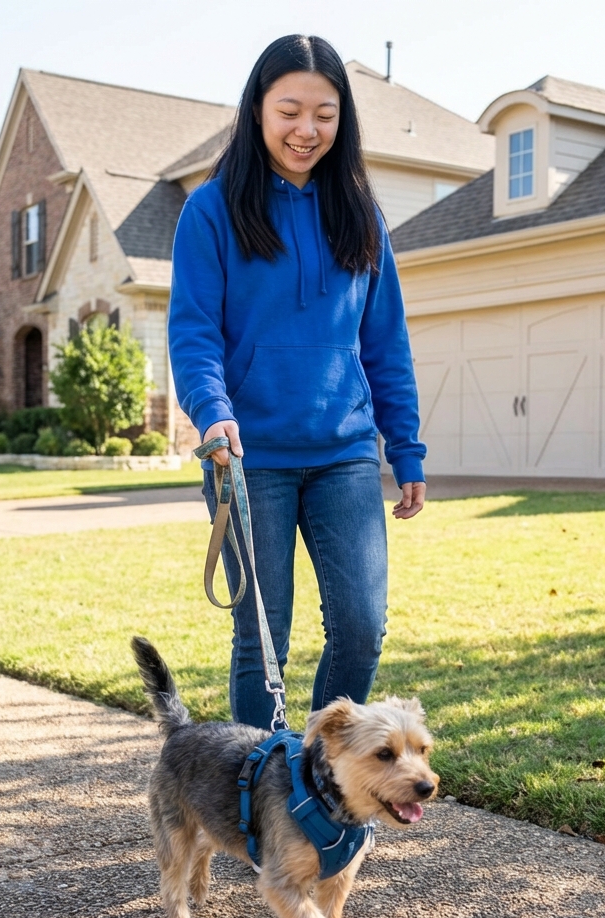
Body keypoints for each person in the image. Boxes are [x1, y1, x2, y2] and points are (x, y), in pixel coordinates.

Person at [168, 34, 426, 731]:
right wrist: (212, 413)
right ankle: (259, 803)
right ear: (257, 109)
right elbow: (194, 331)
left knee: (363, 627)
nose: (306, 130)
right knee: (261, 644)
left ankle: (319, 774)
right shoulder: (213, 210)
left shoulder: (361, 213)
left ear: (343, 121)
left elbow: (385, 343)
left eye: (325, 113)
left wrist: (406, 448)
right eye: (289, 110)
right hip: (249, 461)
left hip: (343, 454)